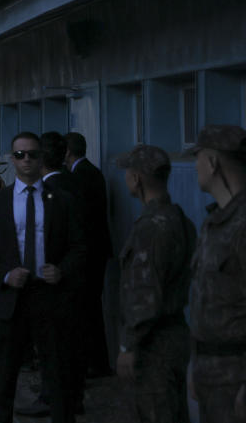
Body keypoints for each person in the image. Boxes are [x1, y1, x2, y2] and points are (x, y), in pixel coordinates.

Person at [0, 131, 86, 423]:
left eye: (32, 154)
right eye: (19, 154)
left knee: (58, 377)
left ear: (41, 158)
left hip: (50, 298)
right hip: (11, 299)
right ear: (12, 159)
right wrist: (5, 274)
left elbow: (80, 246)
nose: (26, 160)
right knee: (3, 378)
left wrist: (62, 269)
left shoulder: (61, 200)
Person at [114, 144, 195, 423]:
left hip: (153, 344)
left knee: (154, 412)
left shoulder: (152, 226)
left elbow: (145, 294)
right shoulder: (180, 219)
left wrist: (129, 346)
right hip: (174, 334)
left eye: (128, 172)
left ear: (136, 178)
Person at [17, 132, 87, 417]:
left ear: (41, 159)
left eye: (30, 155)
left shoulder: (50, 192)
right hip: (77, 277)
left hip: (52, 281)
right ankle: (72, 397)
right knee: (71, 347)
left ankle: (51, 398)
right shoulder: (76, 179)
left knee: (51, 348)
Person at [187, 125, 246, 423]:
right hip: (211, 371)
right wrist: (197, 366)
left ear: (213, 162)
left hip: (237, 377)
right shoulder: (215, 221)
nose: (194, 165)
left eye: (197, 157)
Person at [64, 131, 113, 378]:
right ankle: (97, 361)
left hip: (89, 253)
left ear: (68, 152)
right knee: (92, 308)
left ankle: (93, 363)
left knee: (87, 309)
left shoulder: (79, 177)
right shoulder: (92, 172)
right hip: (98, 250)